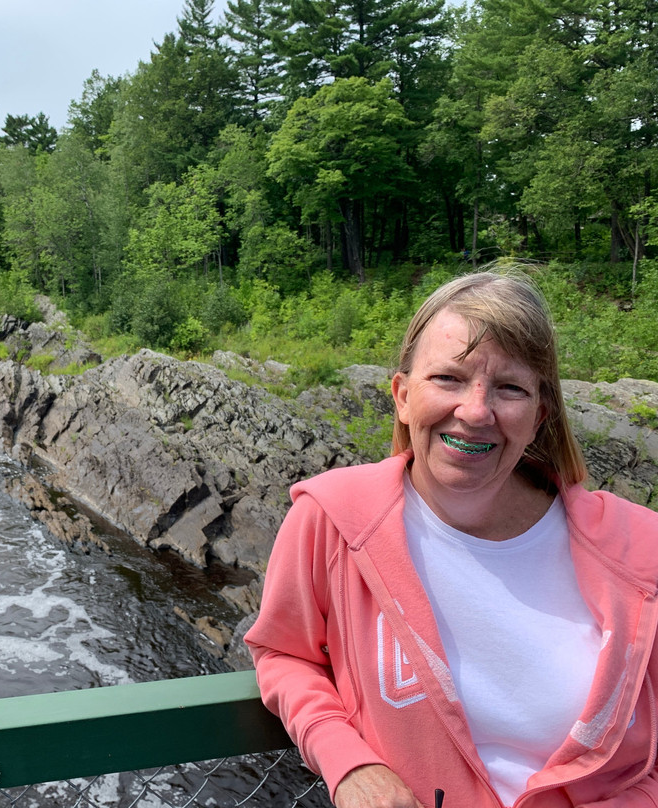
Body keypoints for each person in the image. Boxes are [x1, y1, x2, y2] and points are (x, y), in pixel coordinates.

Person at [245, 271, 658, 808]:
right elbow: (282, 653)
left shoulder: (639, 548)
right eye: (448, 379)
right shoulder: (333, 519)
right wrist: (348, 762)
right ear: (402, 396)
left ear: (540, 416)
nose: (475, 411)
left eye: (510, 388)